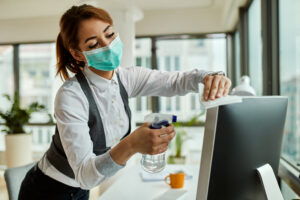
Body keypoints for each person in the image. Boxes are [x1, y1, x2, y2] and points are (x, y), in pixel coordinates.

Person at [18, 4, 231, 200]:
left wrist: (210, 76)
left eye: (110, 34)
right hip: (47, 190)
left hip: (81, 190)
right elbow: (85, 174)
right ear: (77, 54)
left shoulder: (126, 79)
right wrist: (132, 144)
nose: (108, 45)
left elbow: (176, 81)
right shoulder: (71, 96)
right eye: (94, 44)